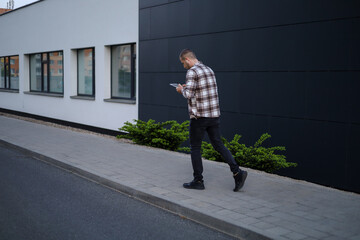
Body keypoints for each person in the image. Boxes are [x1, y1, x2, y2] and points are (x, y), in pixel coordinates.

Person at [176, 49, 247, 192]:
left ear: (188, 60)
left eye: (183, 63)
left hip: (200, 117)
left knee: (195, 147)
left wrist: (180, 90)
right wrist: (188, 87)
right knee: (218, 144)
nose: (183, 66)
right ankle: (237, 172)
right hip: (214, 115)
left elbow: (188, 94)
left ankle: (198, 181)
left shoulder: (191, 72)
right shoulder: (209, 69)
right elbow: (202, 89)